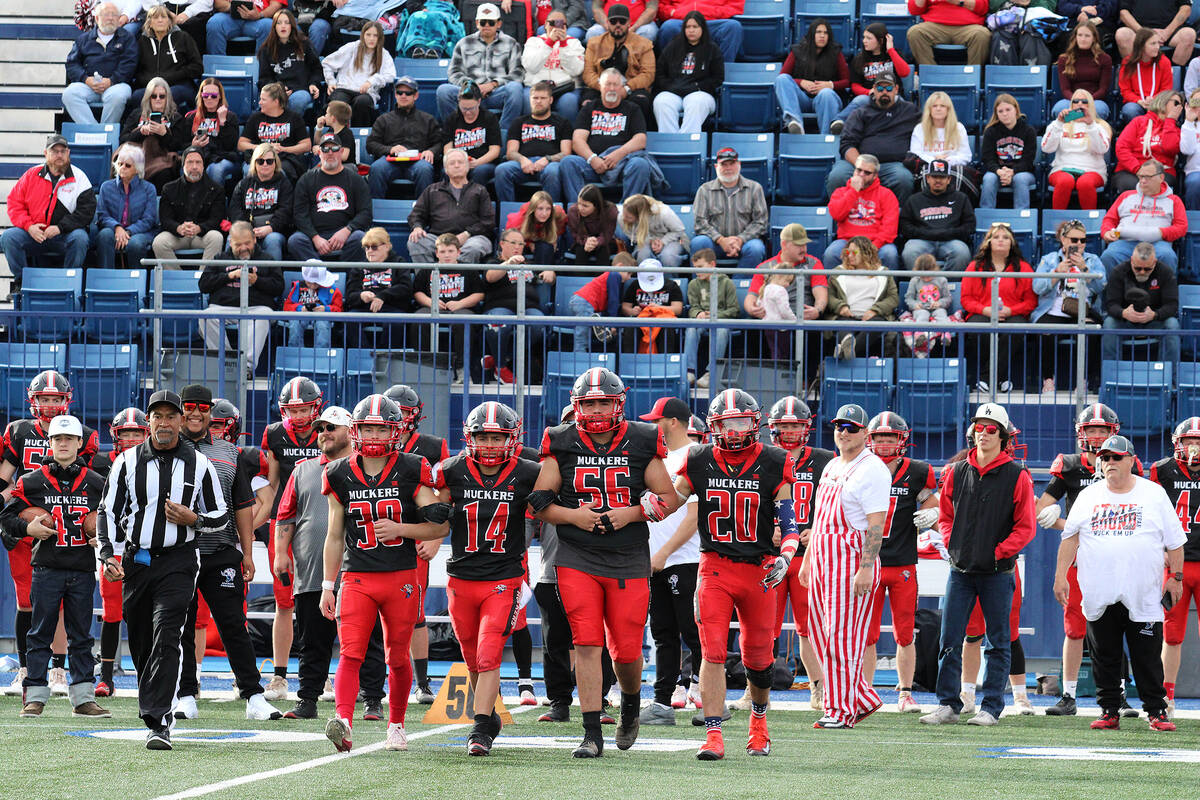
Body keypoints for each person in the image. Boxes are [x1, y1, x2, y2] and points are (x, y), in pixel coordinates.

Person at [531, 367, 679, 757]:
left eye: (604, 402)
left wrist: (632, 513)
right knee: (586, 642)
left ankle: (630, 703)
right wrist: (574, 516)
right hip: (577, 555)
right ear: (576, 406)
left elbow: (669, 497)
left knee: (627, 651)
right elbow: (540, 502)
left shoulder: (643, 438)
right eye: (589, 402)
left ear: (619, 404)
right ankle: (591, 732)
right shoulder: (559, 440)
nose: (596, 409)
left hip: (628, 556)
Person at [659, 390, 792, 758]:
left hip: (760, 570)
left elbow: (789, 521)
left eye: (740, 423)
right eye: (726, 424)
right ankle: (714, 735)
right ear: (714, 426)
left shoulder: (774, 460)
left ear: (754, 423)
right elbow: (670, 501)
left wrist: (787, 553)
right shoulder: (698, 458)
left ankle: (759, 723)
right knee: (713, 651)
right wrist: (638, 505)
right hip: (715, 566)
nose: (733, 431)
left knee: (758, 659)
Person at [97, 390, 229, 749]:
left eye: (172, 416)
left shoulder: (199, 463)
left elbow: (220, 515)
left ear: (181, 421)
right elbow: (107, 512)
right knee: (141, 641)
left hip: (179, 560)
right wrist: (108, 555)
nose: (165, 423)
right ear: (149, 421)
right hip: (136, 561)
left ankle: (159, 719)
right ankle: (154, 701)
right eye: (158, 416)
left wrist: (194, 519)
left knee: (167, 634)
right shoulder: (126, 462)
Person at [319, 395, 448, 753]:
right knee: (350, 652)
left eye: (381, 427)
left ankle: (396, 724)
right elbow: (333, 535)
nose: (374, 434)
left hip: (400, 575)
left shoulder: (411, 467)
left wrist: (402, 529)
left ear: (396, 430)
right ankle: (343, 720)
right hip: (357, 575)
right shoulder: (338, 472)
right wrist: (328, 585)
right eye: (368, 427)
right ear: (356, 431)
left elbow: (439, 527)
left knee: (396, 655)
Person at [419, 402, 539, 755]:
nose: (488, 444)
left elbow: (550, 502)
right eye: (482, 436)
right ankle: (491, 714)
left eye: (496, 437)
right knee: (473, 658)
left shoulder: (528, 472)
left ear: (511, 439)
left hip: (503, 577)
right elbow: (435, 511)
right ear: (469, 437)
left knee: (488, 656)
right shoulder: (452, 470)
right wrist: (424, 520)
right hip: (461, 578)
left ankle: (481, 727)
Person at [1055, 434, 1184, 732]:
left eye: (1115, 457)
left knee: (1147, 655)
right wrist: (1060, 575)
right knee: (1104, 654)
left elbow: (1176, 543)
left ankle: (1156, 711)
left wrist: (1175, 578)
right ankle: (1109, 709)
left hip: (1143, 591)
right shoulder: (1089, 496)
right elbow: (1070, 538)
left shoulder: (1152, 494)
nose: (1109, 462)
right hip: (1099, 590)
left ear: (1131, 460)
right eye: (1104, 458)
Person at [171, 385, 281, 723]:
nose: (195, 413)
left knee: (234, 623)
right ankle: (186, 693)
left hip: (220, 549)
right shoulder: (164, 448)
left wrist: (247, 552)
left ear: (210, 412)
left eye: (202, 408)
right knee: (181, 626)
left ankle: (253, 695)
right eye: (188, 406)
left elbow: (244, 507)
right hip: (176, 552)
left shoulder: (230, 453)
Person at [920, 403, 1035, 727]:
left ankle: (991, 707)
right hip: (961, 571)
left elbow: (1026, 527)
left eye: (990, 428)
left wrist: (997, 552)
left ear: (1003, 436)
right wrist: (953, 543)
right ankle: (948, 704)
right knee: (949, 639)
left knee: (999, 641)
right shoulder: (955, 472)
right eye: (979, 427)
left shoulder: (1017, 476)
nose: (983, 433)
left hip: (998, 573)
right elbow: (945, 516)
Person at [274, 405, 387, 719]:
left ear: (350, 432)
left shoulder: (369, 468)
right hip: (311, 572)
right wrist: (280, 553)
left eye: (330, 428)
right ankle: (307, 699)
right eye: (320, 428)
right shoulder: (302, 470)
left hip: (362, 570)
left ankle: (373, 700)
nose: (323, 434)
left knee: (368, 641)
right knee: (312, 641)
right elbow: (285, 515)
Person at [1035, 404, 1143, 717]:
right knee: (1074, 630)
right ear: (1081, 434)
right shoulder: (1070, 465)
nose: (1096, 437)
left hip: (1117, 559)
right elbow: (1043, 508)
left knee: (1118, 626)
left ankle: (1120, 696)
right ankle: (1068, 696)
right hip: (1082, 560)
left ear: (1114, 433)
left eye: (1102, 430)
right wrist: (1065, 522)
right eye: (1091, 430)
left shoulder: (1125, 464)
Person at [0, 415, 109, 719]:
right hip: (46, 567)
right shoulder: (31, 482)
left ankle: (84, 697)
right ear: (49, 443)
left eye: (69, 439)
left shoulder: (97, 482)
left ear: (78, 443)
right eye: (58, 439)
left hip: (82, 568)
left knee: (81, 635)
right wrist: (27, 529)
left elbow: (115, 518)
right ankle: (35, 695)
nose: (63, 443)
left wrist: (102, 536)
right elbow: (7, 518)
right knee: (39, 632)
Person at [798, 403, 891, 729]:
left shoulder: (873, 469)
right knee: (822, 636)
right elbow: (820, 518)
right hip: (823, 558)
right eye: (839, 426)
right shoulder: (833, 465)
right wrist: (809, 559)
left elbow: (876, 524)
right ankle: (862, 699)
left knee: (843, 638)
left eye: (852, 427)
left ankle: (839, 709)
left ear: (865, 433)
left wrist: (866, 568)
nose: (844, 432)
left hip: (850, 561)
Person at [862, 412, 938, 714]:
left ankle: (905, 692)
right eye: (879, 438)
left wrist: (932, 513)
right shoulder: (861, 470)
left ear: (901, 440)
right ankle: (864, 691)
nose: (884, 443)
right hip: (870, 564)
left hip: (903, 562)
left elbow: (934, 501)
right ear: (870, 440)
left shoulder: (917, 471)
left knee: (905, 632)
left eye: (890, 438)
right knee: (866, 633)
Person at [633, 397, 701, 727]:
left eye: (656, 420)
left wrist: (664, 553)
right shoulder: (661, 457)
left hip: (685, 560)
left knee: (693, 631)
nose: (652, 426)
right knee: (663, 634)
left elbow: (693, 518)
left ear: (672, 422)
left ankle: (705, 696)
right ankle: (662, 702)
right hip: (657, 560)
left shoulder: (694, 456)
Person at [382, 383, 451, 706]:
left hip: (414, 533)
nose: (399, 419)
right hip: (377, 534)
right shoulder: (371, 440)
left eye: (405, 414)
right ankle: (376, 681)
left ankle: (422, 682)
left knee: (416, 612)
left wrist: (436, 537)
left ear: (416, 416)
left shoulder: (433, 447)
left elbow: (443, 497)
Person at [765, 397, 832, 712]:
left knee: (809, 628)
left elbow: (836, 505)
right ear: (773, 427)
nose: (790, 431)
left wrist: (817, 529)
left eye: (795, 425)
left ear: (806, 427)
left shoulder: (824, 461)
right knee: (764, 626)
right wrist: (768, 529)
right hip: (772, 554)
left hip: (808, 556)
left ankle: (817, 688)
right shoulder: (763, 459)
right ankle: (756, 689)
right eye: (784, 425)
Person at [90, 407, 149, 699]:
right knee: (112, 612)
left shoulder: (157, 463)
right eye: (125, 433)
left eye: (136, 433)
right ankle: (106, 677)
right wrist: (98, 538)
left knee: (144, 613)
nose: (130, 439)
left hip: (147, 545)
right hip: (114, 546)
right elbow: (95, 506)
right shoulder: (102, 464)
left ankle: (147, 676)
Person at [0, 136, 94, 286]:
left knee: (80, 239)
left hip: (64, 235)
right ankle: (21, 283)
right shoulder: (31, 174)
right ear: (45, 153)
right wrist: (29, 226)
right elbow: (14, 203)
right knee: (9, 237)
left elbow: (86, 211)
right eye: (54, 151)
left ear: (68, 153)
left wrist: (60, 228)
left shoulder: (80, 178)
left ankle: (69, 283)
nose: (59, 155)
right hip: (34, 234)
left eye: (63, 151)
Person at [1153, 418, 1200, 717]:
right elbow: (1152, 514)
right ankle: (1167, 697)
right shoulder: (1162, 470)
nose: (1193, 447)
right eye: (1189, 441)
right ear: (1177, 444)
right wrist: (1161, 550)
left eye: (1199, 441)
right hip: (1176, 563)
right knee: (1172, 635)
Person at [1032, 220, 1107, 393]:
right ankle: (1048, 379)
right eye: (1074, 240)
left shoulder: (1092, 260)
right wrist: (1057, 272)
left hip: (1082, 310)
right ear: (1063, 239)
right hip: (1054, 310)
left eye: (1083, 240)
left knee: (1092, 332)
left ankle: (1083, 381)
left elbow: (1101, 286)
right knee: (1045, 331)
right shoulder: (1049, 259)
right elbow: (1037, 287)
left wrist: (1085, 269)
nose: (1079, 244)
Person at [961, 222, 1036, 394]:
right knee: (978, 328)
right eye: (996, 237)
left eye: (1005, 238)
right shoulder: (975, 267)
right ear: (988, 242)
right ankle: (1001, 378)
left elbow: (1031, 302)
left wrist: (1011, 310)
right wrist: (985, 310)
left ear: (1012, 243)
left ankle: (987, 379)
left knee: (1016, 328)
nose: (1000, 241)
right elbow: (966, 299)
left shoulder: (1024, 268)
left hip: (1013, 313)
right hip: (983, 312)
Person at [198, 222, 284, 370]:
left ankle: (246, 368)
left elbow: (279, 287)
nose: (243, 248)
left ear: (255, 240)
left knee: (262, 318)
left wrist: (257, 281)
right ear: (230, 242)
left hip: (257, 308)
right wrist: (229, 276)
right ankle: (228, 364)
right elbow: (203, 285)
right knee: (205, 317)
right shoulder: (220, 258)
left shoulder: (266, 259)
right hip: (224, 307)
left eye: (247, 243)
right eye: (238, 244)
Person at [561, 69, 655, 204]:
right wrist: (592, 159)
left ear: (622, 87)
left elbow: (640, 139)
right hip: (592, 163)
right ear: (600, 86)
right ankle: (579, 209)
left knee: (640, 164)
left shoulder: (632, 108)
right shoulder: (589, 108)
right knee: (568, 162)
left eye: (615, 85)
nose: (611, 89)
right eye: (607, 84)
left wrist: (618, 154)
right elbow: (577, 140)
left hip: (622, 163)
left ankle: (627, 211)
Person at [825, 78, 921, 204]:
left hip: (893, 165)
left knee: (903, 179)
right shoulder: (860, 112)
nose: (884, 92)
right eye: (880, 88)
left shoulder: (910, 111)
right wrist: (862, 166)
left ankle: (898, 219)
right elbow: (846, 144)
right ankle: (840, 219)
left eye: (889, 88)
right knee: (837, 176)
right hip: (859, 162)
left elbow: (928, 129)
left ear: (896, 89)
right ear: (874, 90)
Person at [438, 4, 525, 134]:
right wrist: (471, 85)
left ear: (499, 24)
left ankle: (503, 133)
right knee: (443, 91)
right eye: (483, 22)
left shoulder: (511, 43)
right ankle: (456, 131)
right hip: (468, 93)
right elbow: (453, 72)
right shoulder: (464, 43)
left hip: (496, 93)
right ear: (477, 23)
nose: (487, 26)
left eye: (491, 22)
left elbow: (518, 73)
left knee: (515, 89)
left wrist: (493, 84)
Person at [288, 132, 372, 262]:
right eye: (325, 149)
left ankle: (343, 275)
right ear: (319, 153)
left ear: (341, 151)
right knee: (295, 241)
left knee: (360, 237)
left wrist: (347, 230)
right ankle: (320, 274)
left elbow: (366, 213)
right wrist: (315, 237)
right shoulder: (306, 179)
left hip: (346, 234)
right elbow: (299, 214)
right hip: (314, 235)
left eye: (334, 148)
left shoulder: (356, 180)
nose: (330, 153)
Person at [479, 228, 549, 383]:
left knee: (538, 324)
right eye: (513, 243)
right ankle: (501, 367)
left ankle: (503, 358)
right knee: (499, 323)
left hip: (529, 307)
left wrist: (551, 273)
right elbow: (490, 277)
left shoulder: (528, 265)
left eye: (521, 244)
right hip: (501, 306)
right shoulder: (493, 262)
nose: (518, 247)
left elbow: (542, 276)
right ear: (502, 244)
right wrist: (507, 264)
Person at [407, 148, 495, 263]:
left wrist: (467, 233)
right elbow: (416, 214)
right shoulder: (432, 190)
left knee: (474, 248)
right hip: (439, 239)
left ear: (468, 167)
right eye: (452, 163)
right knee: (416, 241)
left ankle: (458, 279)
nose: (456, 166)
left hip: (472, 238)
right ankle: (427, 278)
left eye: (460, 162)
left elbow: (488, 221)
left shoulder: (480, 190)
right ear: (446, 169)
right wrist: (417, 227)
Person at [1100, 159, 1186, 272]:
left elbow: (1181, 227)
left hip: (1157, 243)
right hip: (1125, 241)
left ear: (1161, 178)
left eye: (1148, 177)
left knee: (1167, 256)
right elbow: (1109, 219)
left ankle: (1163, 289)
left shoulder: (1173, 200)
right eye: (1140, 176)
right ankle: (1112, 289)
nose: (1143, 181)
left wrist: (1161, 233)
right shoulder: (1126, 196)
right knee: (1109, 256)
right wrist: (1107, 232)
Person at [690, 147, 769, 271]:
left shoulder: (755, 188)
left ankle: (738, 286)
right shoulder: (704, 190)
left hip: (744, 243)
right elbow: (699, 222)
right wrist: (721, 240)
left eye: (732, 163)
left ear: (739, 164)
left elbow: (761, 222)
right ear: (716, 167)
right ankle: (703, 287)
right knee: (698, 242)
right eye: (723, 164)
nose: (728, 168)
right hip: (714, 243)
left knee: (756, 248)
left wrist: (740, 240)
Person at [1102, 241, 1181, 363]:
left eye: (1147, 269)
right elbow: (1111, 304)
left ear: (1154, 263)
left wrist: (1155, 315)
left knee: (1172, 325)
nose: (1142, 272)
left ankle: (1170, 377)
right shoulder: (1119, 271)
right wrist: (1123, 313)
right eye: (1138, 268)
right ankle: (1111, 375)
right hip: (1125, 321)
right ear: (1132, 260)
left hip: (1155, 321)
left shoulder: (1165, 272)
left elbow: (1172, 305)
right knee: (1109, 324)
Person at [365, 76, 441, 200]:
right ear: (395, 95)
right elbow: (370, 144)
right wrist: (390, 149)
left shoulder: (428, 119)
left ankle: (424, 213)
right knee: (377, 168)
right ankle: (375, 212)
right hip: (391, 161)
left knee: (425, 169)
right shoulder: (384, 119)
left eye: (408, 93)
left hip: (417, 161)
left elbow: (439, 143)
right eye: (400, 92)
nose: (403, 96)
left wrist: (431, 151)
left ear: (415, 96)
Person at [63, 2, 137, 124]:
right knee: (69, 94)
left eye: (114, 15)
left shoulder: (127, 38)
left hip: (116, 85)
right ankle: (92, 131)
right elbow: (72, 64)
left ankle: (106, 132)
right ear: (96, 18)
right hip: (89, 85)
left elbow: (129, 64)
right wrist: (86, 79)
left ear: (119, 19)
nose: (110, 18)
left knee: (118, 96)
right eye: (106, 14)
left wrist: (111, 81)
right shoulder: (83, 39)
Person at [826, 237, 900, 360]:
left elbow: (893, 298)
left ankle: (845, 353)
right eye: (847, 252)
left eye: (854, 252)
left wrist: (875, 310)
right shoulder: (838, 271)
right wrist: (841, 307)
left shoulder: (883, 272)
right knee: (842, 326)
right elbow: (829, 296)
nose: (849, 256)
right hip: (847, 317)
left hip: (874, 318)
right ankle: (848, 351)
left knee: (877, 325)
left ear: (866, 253)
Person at [825, 153, 900, 269]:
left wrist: (872, 247)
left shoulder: (887, 195)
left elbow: (890, 229)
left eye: (867, 173)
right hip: (847, 242)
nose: (861, 175)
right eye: (859, 170)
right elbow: (837, 215)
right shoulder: (841, 192)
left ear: (875, 175)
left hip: (875, 243)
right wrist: (853, 192)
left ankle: (889, 287)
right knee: (831, 253)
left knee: (890, 254)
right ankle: (834, 287)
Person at [581, 3, 655, 120]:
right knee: (587, 102)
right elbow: (588, 73)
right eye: (613, 21)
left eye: (622, 21)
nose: (618, 25)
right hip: (601, 85)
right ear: (607, 23)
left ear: (629, 22)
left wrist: (626, 88)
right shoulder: (594, 43)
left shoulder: (644, 44)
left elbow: (648, 75)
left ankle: (636, 133)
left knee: (641, 100)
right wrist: (604, 87)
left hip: (631, 87)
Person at [899, 159, 975, 272]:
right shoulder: (914, 199)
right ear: (928, 178)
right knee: (910, 251)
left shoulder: (961, 198)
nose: (938, 180)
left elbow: (969, 225)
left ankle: (948, 286)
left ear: (949, 179)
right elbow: (905, 226)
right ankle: (922, 286)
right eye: (934, 176)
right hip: (922, 240)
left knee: (962, 253)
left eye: (942, 177)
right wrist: (925, 233)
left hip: (951, 241)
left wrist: (949, 233)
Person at [653, 11, 722, 133]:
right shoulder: (673, 46)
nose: (691, 30)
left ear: (702, 28)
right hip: (674, 91)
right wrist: (670, 86)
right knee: (661, 101)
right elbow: (660, 73)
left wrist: (697, 87)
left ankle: (686, 144)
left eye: (695, 27)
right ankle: (670, 143)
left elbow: (717, 78)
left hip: (700, 93)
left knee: (695, 102)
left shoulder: (712, 49)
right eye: (688, 27)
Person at [1042, 89, 1112, 210]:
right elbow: (1046, 148)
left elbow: (1102, 149)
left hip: (1092, 170)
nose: (1080, 104)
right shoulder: (1059, 124)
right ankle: (1057, 222)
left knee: (1085, 183)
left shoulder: (1099, 126)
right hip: (1062, 168)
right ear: (1071, 104)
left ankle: (1090, 223)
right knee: (1065, 181)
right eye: (1076, 101)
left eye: (1084, 101)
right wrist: (1058, 123)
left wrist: (1090, 125)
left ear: (1090, 105)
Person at [152, 147, 224, 262]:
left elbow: (216, 219)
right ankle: (178, 278)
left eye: (198, 162)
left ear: (203, 166)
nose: (194, 166)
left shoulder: (216, 189)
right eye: (190, 162)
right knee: (159, 242)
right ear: (183, 165)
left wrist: (199, 228)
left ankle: (203, 278)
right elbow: (165, 219)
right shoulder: (169, 188)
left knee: (216, 237)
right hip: (178, 234)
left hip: (202, 234)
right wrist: (179, 228)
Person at [776, 18, 847, 135]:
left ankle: (826, 137)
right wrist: (801, 82)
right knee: (781, 79)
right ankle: (795, 123)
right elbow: (784, 77)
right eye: (818, 32)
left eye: (825, 33)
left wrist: (830, 85)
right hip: (802, 98)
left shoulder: (836, 52)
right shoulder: (797, 51)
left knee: (826, 93)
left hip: (824, 100)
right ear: (812, 34)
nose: (822, 36)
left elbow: (847, 81)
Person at [94, 144, 158, 270]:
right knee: (104, 235)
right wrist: (117, 227)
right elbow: (102, 215)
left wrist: (128, 232)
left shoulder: (149, 189)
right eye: (120, 164)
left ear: (137, 169)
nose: (122, 168)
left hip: (140, 232)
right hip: (113, 230)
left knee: (135, 243)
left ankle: (137, 282)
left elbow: (149, 219)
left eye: (128, 165)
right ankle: (106, 278)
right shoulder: (106, 187)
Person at [322, 21, 395, 127]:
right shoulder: (352, 47)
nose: (371, 39)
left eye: (375, 35)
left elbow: (390, 75)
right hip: (344, 88)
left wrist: (371, 81)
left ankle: (359, 137)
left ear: (380, 37)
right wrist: (331, 81)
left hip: (366, 93)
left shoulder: (384, 54)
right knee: (338, 103)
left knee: (362, 103)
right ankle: (333, 138)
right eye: (368, 35)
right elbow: (327, 62)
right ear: (363, 35)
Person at [120, 75, 188, 189]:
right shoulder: (137, 114)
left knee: (164, 173)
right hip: (136, 158)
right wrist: (140, 132)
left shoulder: (175, 118)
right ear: (148, 98)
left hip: (161, 160)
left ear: (168, 98)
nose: (158, 99)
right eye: (153, 96)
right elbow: (123, 139)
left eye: (162, 96)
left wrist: (164, 134)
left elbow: (179, 145)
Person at [227, 142, 292, 261]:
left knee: (273, 240)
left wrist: (271, 227)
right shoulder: (243, 184)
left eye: (269, 161)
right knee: (231, 239)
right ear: (254, 163)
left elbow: (286, 211)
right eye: (260, 161)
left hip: (274, 230)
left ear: (275, 163)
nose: (265, 164)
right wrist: (247, 230)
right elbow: (235, 210)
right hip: (248, 230)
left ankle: (274, 278)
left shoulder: (284, 184)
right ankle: (233, 276)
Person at [838, 23, 911, 128]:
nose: (864, 41)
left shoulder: (894, 54)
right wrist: (869, 92)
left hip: (891, 95)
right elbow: (855, 86)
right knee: (859, 100)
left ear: (880, 41)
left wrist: (890, 50)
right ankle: (838, 122)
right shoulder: (859, 59)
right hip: (869, 97)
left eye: (869, 38)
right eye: (864, 37)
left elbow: (905, 73)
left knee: (900, 103)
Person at [1112, 90, 1183, 195]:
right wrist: (1138, 169)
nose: (1178, 108)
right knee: (1131, 185)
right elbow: (1122, 147)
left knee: (1154, 185)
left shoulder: (1176, 129)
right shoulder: (1138, 122)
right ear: (1163, 101)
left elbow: (1169, 149)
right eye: (1176, 103)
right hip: (1131, 170)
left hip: (1161, 171)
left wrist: (1170, 121)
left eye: (1181, 105)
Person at [683, 249, 737, 388]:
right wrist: (698, 314)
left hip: (720, 321)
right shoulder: (693, 284)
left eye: (700, 267)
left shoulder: (726, 283)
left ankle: (710, 373)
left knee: (721, 331)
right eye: (695, 268)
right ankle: (689, 372)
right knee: (691, 329)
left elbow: (734, 310)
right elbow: (693, 307)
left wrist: (715, 316)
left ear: (712, 264)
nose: (697, 271)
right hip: (702, 321)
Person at [238, 82, 312, 181]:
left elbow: (306, 145)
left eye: (263, 99)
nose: (259, 102)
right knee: (249, 171)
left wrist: (283, 149)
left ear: (276, 101)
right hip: (259, 158)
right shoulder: (255, 118)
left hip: (284, 159)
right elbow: (241, 144)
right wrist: (262, 148)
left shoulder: (294, 118)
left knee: (279, 172)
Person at [132, 4, 201, 110]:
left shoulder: (183, 38)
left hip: (179, 85)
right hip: (150, 87)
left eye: (163, 17)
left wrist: (171, 77)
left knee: (169, 95)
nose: (160, 20)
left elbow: (197, 67)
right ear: (149, 23)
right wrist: (153, 83)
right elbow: (137, 71)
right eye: (155, 17)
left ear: (170, 21)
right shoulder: (142, 42)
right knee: (137, 96)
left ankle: (170, 124)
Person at [521, 10, 586, 124]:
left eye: (561, 24)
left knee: (569, 102)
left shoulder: (573, 43)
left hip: (563, 88)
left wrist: (563, 46)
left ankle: (568, 138)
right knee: (528, 100)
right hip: (536, 87)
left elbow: (576, 70)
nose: (556, 27)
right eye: (552, 23)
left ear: (566, 26)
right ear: (545, 25)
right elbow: (531, 67)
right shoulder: (534, 42)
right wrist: (549, 43)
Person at [980, 94, 1038, 210]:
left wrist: (1013, 171)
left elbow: (1028, 160)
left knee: (1020, 179)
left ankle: (1021, 216)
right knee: (989, 179)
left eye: (1008, 109)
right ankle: (985, 214)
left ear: (1016, 110)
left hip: (1022, 172)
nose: (1004, 114)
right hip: (997, 171)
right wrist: (999, 171)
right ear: (996, 114)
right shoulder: (991, 131)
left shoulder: (1028, 131)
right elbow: (987, 158)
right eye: (1000, 111)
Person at [258, 9, 322, 116]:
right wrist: (278, 90)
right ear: (274, 27)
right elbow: (264, 79)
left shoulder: (304, 44)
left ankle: (289, 130)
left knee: (297, 101)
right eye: (279, 23)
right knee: (273, 102)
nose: (283, 26)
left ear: (292, 26)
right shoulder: (266, 49)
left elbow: (317, 69)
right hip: (277, 92)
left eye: (287, 23)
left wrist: (313, 83)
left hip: (301, 90)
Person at [442, 81, 503, 186]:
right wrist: (459, 162)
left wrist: (477, 162)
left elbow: (495, 150)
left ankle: (474, 200)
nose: (468, 112)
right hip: (459, 161)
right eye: (464, 108)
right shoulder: (452, 119)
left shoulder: (489, 118)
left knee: (479, 171)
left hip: (483, 162)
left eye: (471, 108)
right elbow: (447, 148)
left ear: (479, 102)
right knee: (447, 171)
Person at [184, 78, 242, 189]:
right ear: (201, 96)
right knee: (187, 167)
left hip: (223, 158)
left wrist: (222, 122)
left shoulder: (230, 117)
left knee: (215, 169)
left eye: (213, 95)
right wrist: (193, 146)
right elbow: (182, 144)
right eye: (206, 95)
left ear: (220, 96)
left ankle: (216, 204)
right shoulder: (191, 117)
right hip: (199, 156)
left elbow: (230, 146)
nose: (209, 98)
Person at [344, 227, 415, 317]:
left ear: (386, 246)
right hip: (364, 307)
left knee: (395, 321)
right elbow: (350, 294)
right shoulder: (359, 267)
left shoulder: (399, 263)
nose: (369, 251)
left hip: (392, 306)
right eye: (367, 247)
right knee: (351, 318)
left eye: (374, 247)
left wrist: (382, 296)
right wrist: (361, 296)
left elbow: (405, 288)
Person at [1054, 20, 1114, 119]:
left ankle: (1079, 121)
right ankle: (1075, 128)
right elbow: (1065, 89)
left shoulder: (1104, 59)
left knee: (1100, 110)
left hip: (1095, 100)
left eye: (1087, 36)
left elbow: (1103, 89)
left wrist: (1086, 101)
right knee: (1058, 109)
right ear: (1075, 37)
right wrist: (1077, 102)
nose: (1083, 39)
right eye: (1080, 35)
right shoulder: (1064, 59)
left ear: (1094, 38)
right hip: (1071, 100)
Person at [655, 0, 743, 62]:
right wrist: (675, 13)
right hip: (682, 20)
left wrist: (711, 12)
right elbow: (661, 6)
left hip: (713, 21)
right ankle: (672, 74)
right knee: (669, 27)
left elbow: (735, 7)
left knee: (733, 26)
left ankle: (720, 74)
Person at [906, 0, 990, 65]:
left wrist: (958, 1)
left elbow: (983, 8)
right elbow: (914, 10)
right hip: (935, 26)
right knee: (915, 32)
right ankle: (931, 75)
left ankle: (973, 76)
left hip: (968, 27)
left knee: (982, 34)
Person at [1118, 28, 1174, 124]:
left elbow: (1166, 89)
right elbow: (1125, 90)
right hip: (1136, 103)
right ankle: (1138, 134)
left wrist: (1154, 100)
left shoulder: (1164, 62)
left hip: (1158, 102)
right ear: (1141, 46)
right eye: (1153, 44)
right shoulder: (1128, 62)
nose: (1157, 47)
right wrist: (1139, 101)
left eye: (1158, 43)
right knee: (1130, 110)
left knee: (1166, 109)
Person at [618, 193, 687, 271]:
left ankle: (671, 281)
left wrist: (663, 241)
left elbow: (679, 230)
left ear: (640, 216)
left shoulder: (664, 213)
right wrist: (650, 240)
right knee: (642, 255)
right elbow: (632, 236)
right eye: (624, 214)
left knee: (667, 257)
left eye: (629, 217)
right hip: (644, 240)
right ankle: (644, 280)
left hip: (672, 239)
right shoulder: (622, 217)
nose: (624, 218)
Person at [1115, 0, 1195, 67]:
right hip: (1138, 31)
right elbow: (1123, 13)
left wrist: (1167, 32)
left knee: (1189, 34)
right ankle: (1135, 74)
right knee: (1122, 34)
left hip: (1170, 31)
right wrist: (1144, 33)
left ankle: (1173, 74)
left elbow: (1186, 9)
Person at [282, 263, 343, 348]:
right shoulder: (297, 287)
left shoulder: (332, 289)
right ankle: (295, 353)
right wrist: (300, 308)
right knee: (295, 324)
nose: (313, 286)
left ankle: (321, 354)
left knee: (322, 325)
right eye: (309, 283)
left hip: (322, 316)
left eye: (316, 283)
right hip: (301, 315)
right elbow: (286, 306)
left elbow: (339, 309)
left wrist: (325, 309)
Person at [903, 253, 953, 353]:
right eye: (923, 276)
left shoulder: (942, 280)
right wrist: (914, 305)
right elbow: (909, 298)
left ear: (935, 270)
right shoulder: (915, 280)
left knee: (941, 314)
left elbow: (948, 298)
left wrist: (940, 303)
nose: (926, 279)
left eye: (928, 276)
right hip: (921, 308)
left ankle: (945, 335)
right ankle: (920, 335)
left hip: (937, 307)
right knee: (922, 314)